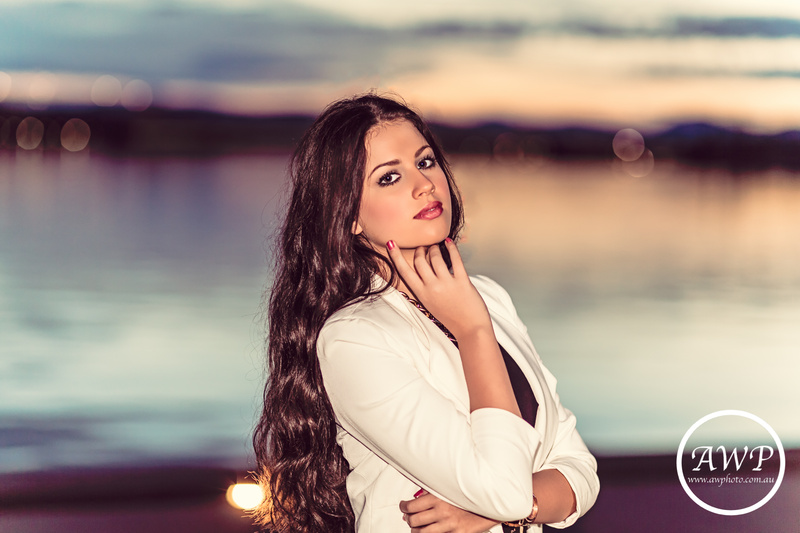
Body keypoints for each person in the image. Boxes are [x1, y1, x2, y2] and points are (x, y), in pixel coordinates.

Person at [253, 93, 599, 533]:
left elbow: (581, 471)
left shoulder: (488, 298)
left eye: (426, 162)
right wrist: (472, 331)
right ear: (349, 216)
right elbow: (505, 491)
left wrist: (503, 509)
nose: (424, 185)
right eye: (389, 177)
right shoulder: (355, 338)